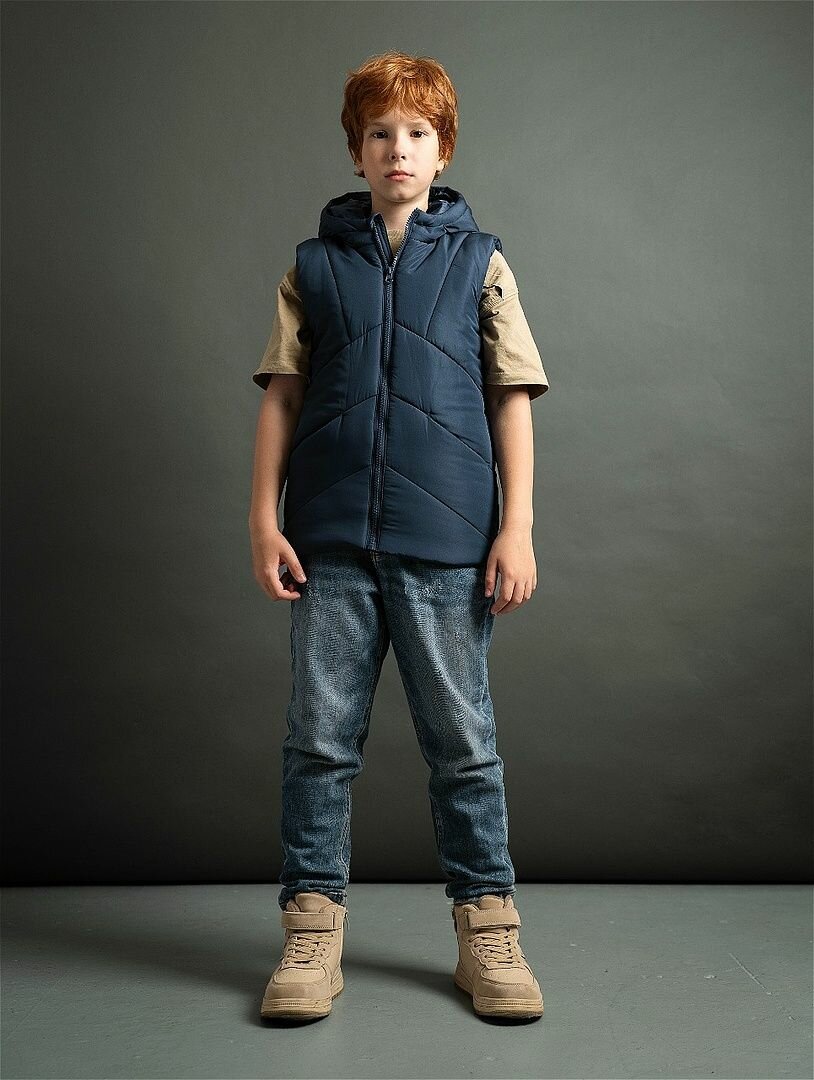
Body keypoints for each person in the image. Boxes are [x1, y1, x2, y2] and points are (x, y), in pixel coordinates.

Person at [248, 50, 550, 1022]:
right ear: (356, 150)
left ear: (442, 148)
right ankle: (310, 931)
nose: (398, 149)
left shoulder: (481, 262)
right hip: (328, 542)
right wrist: (263, 518)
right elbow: (282, 395)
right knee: (318, 743)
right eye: (379, 133)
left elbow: (511, 397)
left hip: (448, 543)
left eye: (417, 133)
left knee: (463, 746)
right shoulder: (312, 266)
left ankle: (488, 930)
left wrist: (516, 527)